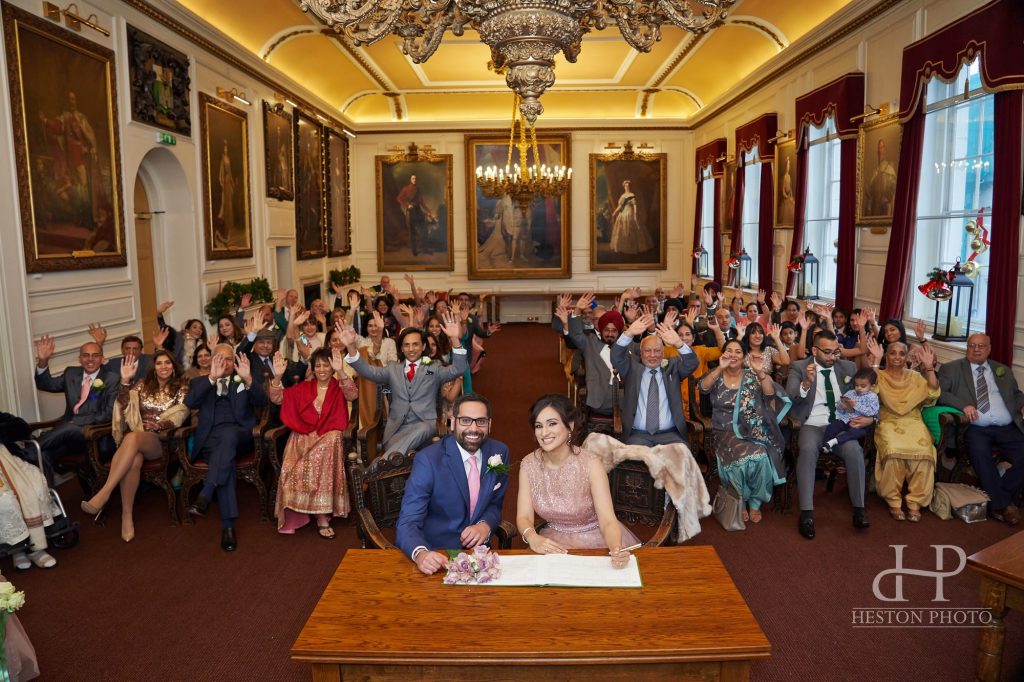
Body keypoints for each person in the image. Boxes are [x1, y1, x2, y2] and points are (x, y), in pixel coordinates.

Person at [395, 393, 510, 575]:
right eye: (466, 420)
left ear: (490, 424)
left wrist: (485, 525)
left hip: (480, 558)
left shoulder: (499, 452)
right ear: (453, 422)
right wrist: (421, 554)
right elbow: (408, 521)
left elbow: (495, 504)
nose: (474, 428)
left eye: (481, 421)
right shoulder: (428, 460)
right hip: (438, 555)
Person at [80, 350, 189, 541]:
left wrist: (161, 424)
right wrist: (124, 381)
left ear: (173, 366)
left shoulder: (182, 387)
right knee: (134, 461)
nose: (163, 366)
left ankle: (104, 493)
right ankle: (127, 517)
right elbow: (123, 405)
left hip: (161, 440)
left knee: (131, 438)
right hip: (137, 441)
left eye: (167, 363)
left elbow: (182, 412)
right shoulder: (142, 385)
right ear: (153, 368)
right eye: (159, 363)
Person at [516, 394, 637, 565]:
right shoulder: (528, 464)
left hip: (596, 540)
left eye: (552, 423)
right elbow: (524, 516)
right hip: (553, 542)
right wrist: (532, 537)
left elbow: (608, 520)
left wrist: (616, 549)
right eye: (538, 426)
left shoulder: (591, 464)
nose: (544, 432)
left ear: (570, 425)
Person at [786, 330, 871, 539]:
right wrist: (806, 382)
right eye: (827, 352)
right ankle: (806, 513)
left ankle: (859, 510)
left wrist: (867, 417)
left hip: (839, 425)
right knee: (806, 450)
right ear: (814, 350)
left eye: (836, 352)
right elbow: (790, 397)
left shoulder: (848, 367)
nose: (833, 357)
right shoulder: (799, 367)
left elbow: (865, 395)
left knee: (854, 450)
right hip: (812, 424)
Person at [342, 313, 467, 455]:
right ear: (401, 348)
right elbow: (368, 371)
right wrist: (351, 346)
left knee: (424, 428)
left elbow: (459, 369)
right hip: (396, 430)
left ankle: (381, 464)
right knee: (397, 446)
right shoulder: (392, 368)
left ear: (423, 346)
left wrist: (454, 339)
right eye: (406, 345)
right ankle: (389, 459)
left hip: (425, 428)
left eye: (415, 344)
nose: (411, 349)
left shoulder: (433, 367)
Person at [184, 345, 267, 551]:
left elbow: (262, 401)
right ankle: (227, 526)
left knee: (228, 439)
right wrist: (212, 378)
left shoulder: (242, 379)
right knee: (224, 463)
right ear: (212, 360)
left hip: (240, 435)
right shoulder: (200, 382)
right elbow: (190, 402)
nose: (225, 363)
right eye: (220, 359)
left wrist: (248, 379)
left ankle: (207, 491)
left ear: (235, 361)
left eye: (229, 359)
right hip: (210, 440)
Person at [268, 348, 358, 537]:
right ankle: (299, 510)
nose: (322, 369)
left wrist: (341, 371)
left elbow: (352, 395)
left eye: (326, 365)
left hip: (328, 438)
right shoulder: (304, 388)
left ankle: (322, 515)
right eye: (318, 365)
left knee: (331, 440)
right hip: (304, 436)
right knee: (296, 446)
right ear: (313, 369)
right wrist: (277, 377)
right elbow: (277, 398)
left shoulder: (338, 386)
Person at [937, 334, 1023, 526]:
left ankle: (1000, 501)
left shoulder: (1003, 370)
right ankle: (1005, 505)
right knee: (980, 454)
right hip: (976, 427)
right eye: (972, 346)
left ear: (989, 348)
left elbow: (1016, 394)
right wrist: (963, 405)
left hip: (1006, 427)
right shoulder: (951, 369)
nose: (976, 349)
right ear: (966, 348)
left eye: (981, 346)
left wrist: (1023, 404)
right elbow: (940, 393)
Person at [699, 339, 789, 523]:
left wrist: (760, 372)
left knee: (762, 455)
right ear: (723, 354)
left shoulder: (751, 376)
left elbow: (770, 394)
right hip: (724, 431)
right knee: (742, 457)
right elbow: (703, 387)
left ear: (744, 356)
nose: (733, 354)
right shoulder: (717, 375)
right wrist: (719, 367)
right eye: (729, 351)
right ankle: (739, 500)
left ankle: (755, 502)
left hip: (752, 429)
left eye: (738, 351)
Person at [865, 338, 940, 522]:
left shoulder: (914, 377)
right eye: (892, 353)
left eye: (901, 353)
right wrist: (875, 362)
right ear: (887, 356)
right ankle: (893, 499)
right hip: (888, 420)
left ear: (907, 356)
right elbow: (869, 394)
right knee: (893, 451)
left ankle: (915, 502)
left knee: (925, 452)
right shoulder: (880, 375)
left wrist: (929, 367)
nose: (897, 357)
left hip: (913, 420)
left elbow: (933, 393)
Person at [32, 337, 119, 485]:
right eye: (85, 355)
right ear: (80, 359)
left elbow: (108, 413)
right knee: (41, 454)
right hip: (67, 438)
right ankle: (50, 501)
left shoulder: (111, 379)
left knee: (70, 426)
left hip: (94, 436)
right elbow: (46, 385)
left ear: (102, 359)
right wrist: (43, 361)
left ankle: (26, 448)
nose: (90, 359)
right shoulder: (71, 373)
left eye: (95, 355)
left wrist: (76, 421)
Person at [612, 312, 699, 446]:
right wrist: (628, 333)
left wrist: (678, 343)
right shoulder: (632, 368)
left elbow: (692, 363)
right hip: (637, 435)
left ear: (663, 353)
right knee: (634, 460)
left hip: (670, 435)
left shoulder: (673, 367)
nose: (652, 355)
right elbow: (616, 357)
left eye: (657, 351)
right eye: (647, 351)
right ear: (640, 353)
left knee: (681, 459)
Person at [556, 294, 625, 425]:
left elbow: (645, 347)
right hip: (600, 396)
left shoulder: (626, 345)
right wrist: (577, 310)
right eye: (606, 329)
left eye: (614, 330)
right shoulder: (590, 342)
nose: (610, 333)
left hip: (627, 397)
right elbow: (575, 334)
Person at [0, 443, 59, 570]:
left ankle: (35, 548)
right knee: (5, 501)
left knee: (33, 488)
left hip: (7, 457)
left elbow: (18, 428)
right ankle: (17, 549)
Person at [822, 368, 880, 453]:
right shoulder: (850, 393)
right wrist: (841, 406)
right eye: (856, 385)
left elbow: (871, 412)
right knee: (831, 427)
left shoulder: (872, 397)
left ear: (872, 386)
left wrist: (856, 405)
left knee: (856, 433)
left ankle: (835, 441)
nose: (859, 388)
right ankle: (826, 446)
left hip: (860, 424)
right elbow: (840, 407)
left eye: (863, 386)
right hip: (845, 420)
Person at [609, 180, 654, 255]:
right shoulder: (622, 196)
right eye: (626, 186)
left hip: (630, 211)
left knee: (631, 226)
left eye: (628, 185)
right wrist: (615, 212)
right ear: (624, 187)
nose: (627, 187)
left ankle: (632, 247)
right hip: (623, 213)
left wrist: (635, 213)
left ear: (630, 186)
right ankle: (622, 247)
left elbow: (634, 205)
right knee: (622, 228)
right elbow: (620, 206)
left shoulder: (632, 194)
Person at [396, 174, 431, 256]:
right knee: (412, 232)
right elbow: (399, 198)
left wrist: (428, 210)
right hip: (411, 212)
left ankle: (424, 248)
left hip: (418, 210)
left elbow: (421, 201)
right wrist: (407, 205)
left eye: (415, 178)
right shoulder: (406, 189)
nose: (414, 180)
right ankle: (414, 250)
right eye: (413, 178)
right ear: (410, 180)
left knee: (424, 228)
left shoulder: (418, 189)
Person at [866, 138, 897, 217]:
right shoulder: (875, 170)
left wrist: (887, 197)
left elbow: (893, 186)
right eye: (879, 148)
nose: (880, 151)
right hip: (874, 206)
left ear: (885, 150)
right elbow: (870, 191)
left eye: (882, 147)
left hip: (884, 206)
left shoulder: (889, 168)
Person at [217, 140, 236, 246]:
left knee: (229, 206)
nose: (226, 149)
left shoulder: (228, 158)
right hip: (225, 182)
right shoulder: (222, 159)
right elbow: (221, 172)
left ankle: (229, 228)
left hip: (228, 182)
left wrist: (231, 183)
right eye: (224, 148)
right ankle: (224, 230)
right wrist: (223, 182)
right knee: (225, 206)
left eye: (226, 147)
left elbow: (230, 172)